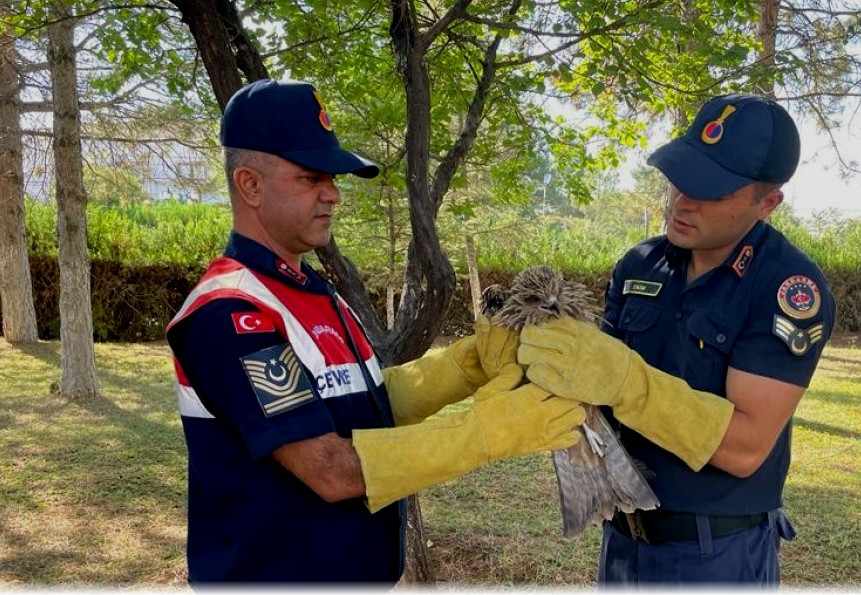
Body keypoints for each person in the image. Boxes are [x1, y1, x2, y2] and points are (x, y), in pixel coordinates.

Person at [165, 79, 584, 585]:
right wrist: (486, 432)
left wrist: (463, 366)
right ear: (250, 184)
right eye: (312, 178)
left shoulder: (314, 290)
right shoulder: (233, 312)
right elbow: (332, 469)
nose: (334, 194)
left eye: (333, 179)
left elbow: (361, 404)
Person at [518, 94, 836, 586]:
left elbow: (746, 447)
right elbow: (593, 390)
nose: (684, 201)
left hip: (715, 553)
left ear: (766, 203)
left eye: (713, 190)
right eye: (682, 179)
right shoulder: (641, 264)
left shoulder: (785, 287)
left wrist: (626, 381)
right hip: (624, 538)